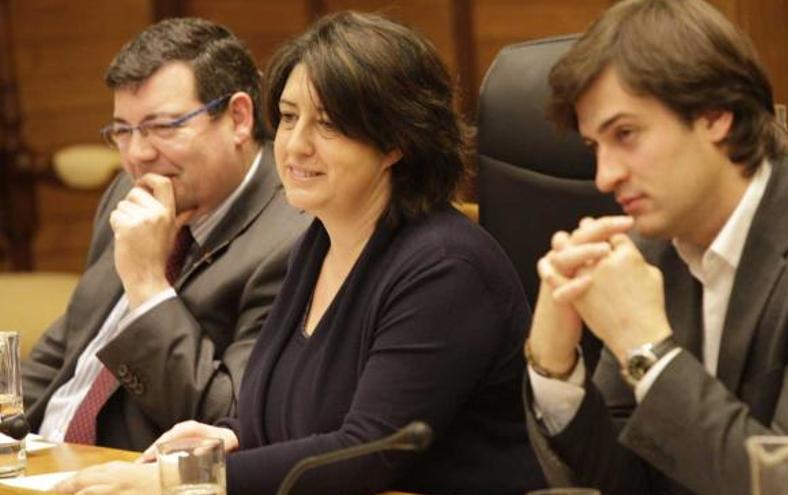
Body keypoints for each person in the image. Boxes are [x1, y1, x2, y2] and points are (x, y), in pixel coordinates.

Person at [57, 11, 545, 495]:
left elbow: (368, 451)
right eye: (289, 118)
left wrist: (170, 480)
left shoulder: (446, 267)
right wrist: (233, 434)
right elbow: (294, 410)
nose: (294, 146)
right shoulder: (319, 240)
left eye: (328, 124)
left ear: (396, 141)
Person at [523, 0, 788, 494]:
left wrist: (647, 349)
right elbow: (622, 482)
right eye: (595, 147)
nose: (605, 176)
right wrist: (553, 365)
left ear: (715, 115)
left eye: (625, 134)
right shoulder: (648, 250)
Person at [22, 18, 310, 451]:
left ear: (238, 118)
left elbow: (227, 420)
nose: (138, 155)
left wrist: (147, 287)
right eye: (123, 130)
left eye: (164, 126)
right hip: (40, 462)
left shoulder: (294, 236)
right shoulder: (130, 189)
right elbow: (67, 347)